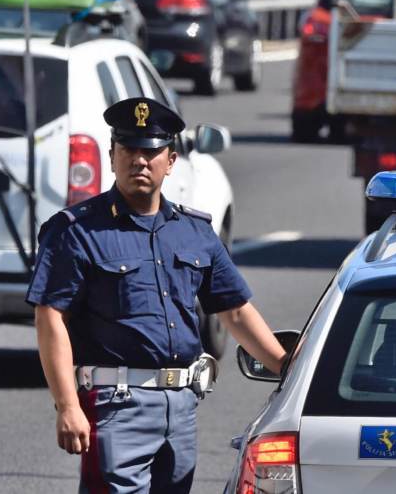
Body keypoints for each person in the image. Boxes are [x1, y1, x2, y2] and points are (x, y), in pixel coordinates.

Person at [27, 97, 287, 494]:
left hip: (181, 408)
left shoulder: (195, 232)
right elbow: (50, 319)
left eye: (150, 151)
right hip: (115, 406)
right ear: (112, 157)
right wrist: (67, 405)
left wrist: (287, 367)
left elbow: (234, 311)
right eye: (128, 149)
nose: (139, 161)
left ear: (170, 161)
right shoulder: (76, 232)